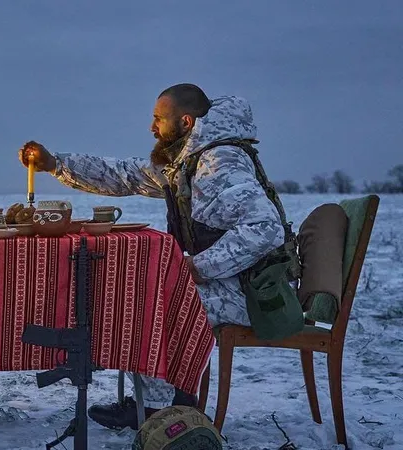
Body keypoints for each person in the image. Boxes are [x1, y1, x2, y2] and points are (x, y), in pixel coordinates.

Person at [18, 83, 296, 430]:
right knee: (149, 293)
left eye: (158, 119)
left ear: (185, 121)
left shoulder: (220, 164)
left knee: (153, 303)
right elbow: (126, 175)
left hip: (256, 295)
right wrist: (56, 164)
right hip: (237, 284)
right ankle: (164, 403)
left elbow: (264, 227)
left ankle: (155, 409)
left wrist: (198, 267)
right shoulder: (189, 162)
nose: (152, 128)